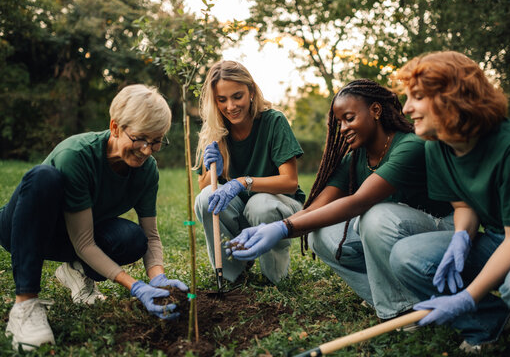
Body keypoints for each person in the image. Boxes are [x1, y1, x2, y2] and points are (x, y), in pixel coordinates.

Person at [227, 78, 453, 320]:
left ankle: (400, 310)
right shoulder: (356, 159)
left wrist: (284, 228)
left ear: (375, 111)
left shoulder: (409, 146)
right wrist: (272, 228)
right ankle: (386, 297)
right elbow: (316, 208)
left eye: (349, 118)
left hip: (442, 231)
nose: (342, 128)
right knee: (319, 234)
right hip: (397, 232)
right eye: (339, 122)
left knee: (375, 216)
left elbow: (358, 202)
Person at [0, 84, 188, 351]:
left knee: (132, 239)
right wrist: (135, 286)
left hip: (71, 236)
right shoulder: (76, 155)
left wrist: (158, 278)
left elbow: (150, 235)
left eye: (157, 141)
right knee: (44, 177)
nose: (147, 150)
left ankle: (74, 271)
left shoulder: (147, 171)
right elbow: (85, 244)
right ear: (115, 127)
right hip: (23, 230)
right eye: (140, 138)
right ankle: (25, 306)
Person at [389, 51, 510, 355]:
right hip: (502, 239)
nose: (406, 109)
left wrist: (467, 295)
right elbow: (463, 205)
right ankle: (488, 323)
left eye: (417, 97)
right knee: (407, 256)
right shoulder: (437, 144)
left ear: (452, 97)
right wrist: (461, 237)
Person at [193, 61, 305, 284]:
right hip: (239, 211)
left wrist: (244, 182)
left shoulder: (274, 121)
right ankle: (232, 274)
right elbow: (205, 188)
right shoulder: (214, 128)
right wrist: (215, 168)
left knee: (260, 204)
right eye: (222, 99)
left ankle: (274, 278)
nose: (231, 106)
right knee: (206, 199)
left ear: (251, 92)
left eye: (237, 96)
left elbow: (290, 182)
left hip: (278, 207)